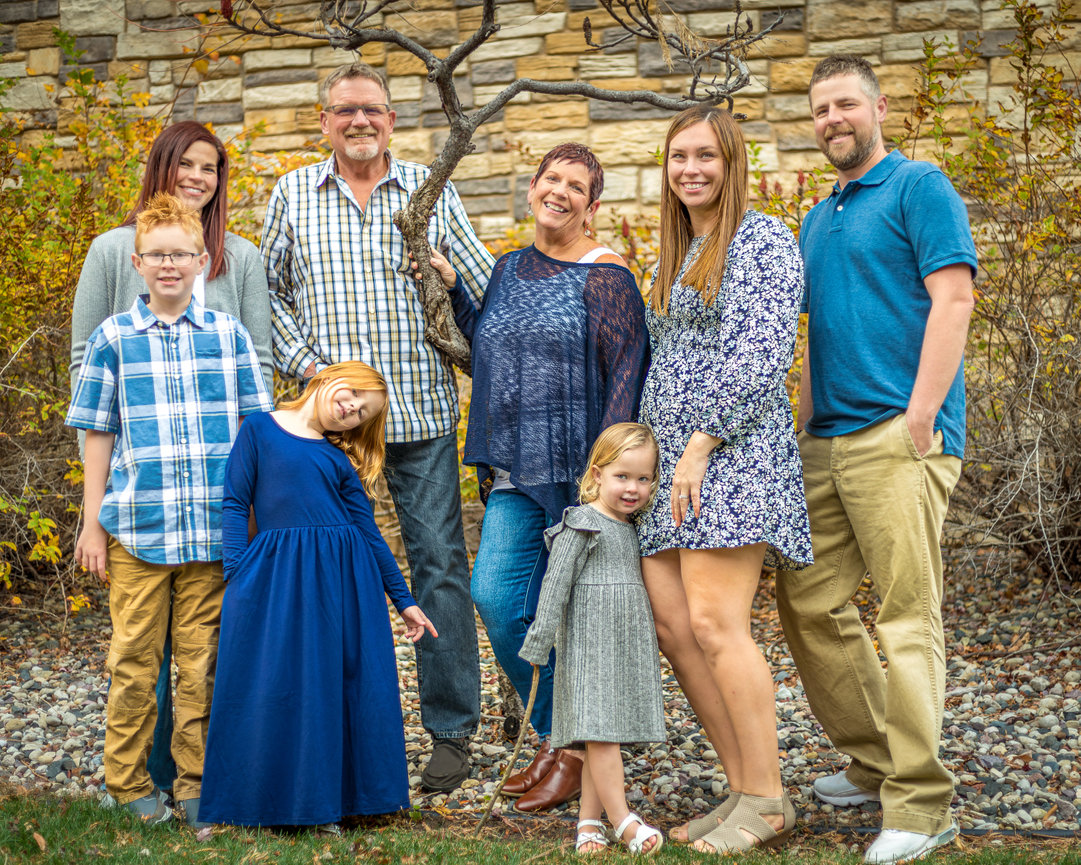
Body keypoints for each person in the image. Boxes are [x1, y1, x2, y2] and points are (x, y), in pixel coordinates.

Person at [261, 62, 493, 792]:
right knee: (326, 571)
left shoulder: (429, 191)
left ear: (392, 119)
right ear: (324, 120)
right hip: (328, 427)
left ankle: (451, 731)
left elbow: (484, 283)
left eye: (373, 110)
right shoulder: (293, 193)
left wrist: (453, 283)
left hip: (420, 411)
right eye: (344, 111)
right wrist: (312, 373)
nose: (359, 121)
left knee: (439, 570)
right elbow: (266, 292)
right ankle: (333, 726)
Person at [775, 55, 977, 865]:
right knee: (809, 601)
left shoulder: (917, 187)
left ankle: (923, 805)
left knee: (904, 616)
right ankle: (877, 760)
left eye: (846, 103)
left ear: (878, 107)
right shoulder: (818, 217)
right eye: (820, 108)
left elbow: (953, 295)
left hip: (898, 437)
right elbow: (807, 338)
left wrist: (920, 416)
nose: (833, 119)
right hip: (824, 442)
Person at [435, 143, 648, 811]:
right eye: (550, 179)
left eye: (575, 185)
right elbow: (489, 346)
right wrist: (451, 291)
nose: (559, 192)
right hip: (513, 470)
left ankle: (575, 749)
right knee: (498, 599)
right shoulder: (506, 268)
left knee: (572, 617)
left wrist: (608, 481)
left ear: (592, 204)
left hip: (576, 481)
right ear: (533, 187)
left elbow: (626, 375)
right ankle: (567, 737)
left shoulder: (606, 275)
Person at [69, 121, 274, 797]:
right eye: (156, 254)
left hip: (210, 529)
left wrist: (252, 509)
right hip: (138, 526)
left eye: (182, 254)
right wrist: (91, 519)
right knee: (133, 660)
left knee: (202, 660)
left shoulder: (229, 336)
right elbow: (97, 427)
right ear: (136, 261)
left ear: (201, 261)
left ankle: (194, 783)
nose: (169, 264)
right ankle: (127, 784)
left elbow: (255, 424)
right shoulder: (112, 338)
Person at [636, 105, 811, 854]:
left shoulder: (761, 238)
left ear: (732, 162)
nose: (691, 170)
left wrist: (701, 443)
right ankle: (741, 787)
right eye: (679, 157)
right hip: (670, 460)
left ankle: (768, 797)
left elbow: (763, 350)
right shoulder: (679, 250)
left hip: (726, 453)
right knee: (676, 627)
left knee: (716, 623)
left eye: (705, 156)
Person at [199, 362, 437, 827]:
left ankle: (328, 802)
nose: (350, 411)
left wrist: (404, 600)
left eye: (360, 416)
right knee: (276, 683)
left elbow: (368, 534)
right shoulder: (259, 429)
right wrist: (237, 572)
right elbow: (235, 502)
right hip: (277, 578)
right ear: (329, 378)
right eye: (352, 396)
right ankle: (265, 799)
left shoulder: (337, 460)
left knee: (331, 686)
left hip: (342, 586)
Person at [519, 423, 666, 855]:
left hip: (623, 644)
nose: (633, 488)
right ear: (598, 474)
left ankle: (588, 824)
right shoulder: (581, 523)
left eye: (643, 479)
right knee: (602, 735)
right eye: (622, 476)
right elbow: (555, 585)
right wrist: (539, 641)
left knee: (605, 736)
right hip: (590, 646)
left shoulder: (629, 526)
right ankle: (623, 822)